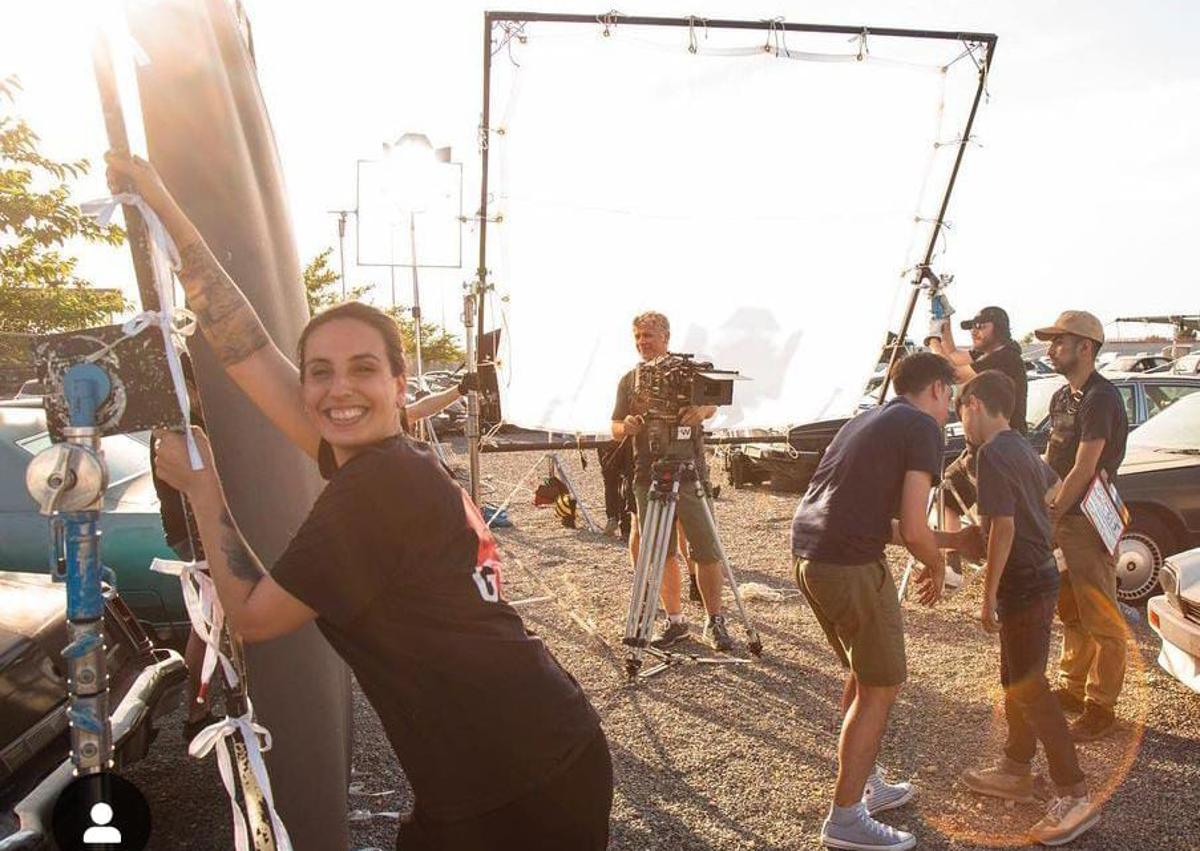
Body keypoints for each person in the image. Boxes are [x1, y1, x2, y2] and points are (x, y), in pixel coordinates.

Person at [108, 152, 612, 851]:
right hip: (522, 755)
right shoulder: (381, 457)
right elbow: (245, 343)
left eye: (363, 368)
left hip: (516, 780)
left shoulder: (376, 488)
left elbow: (253, 616)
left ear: (402, 384)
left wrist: (203, 487)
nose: (337, 388)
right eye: (320, 372)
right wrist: (165, 205)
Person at [792, 352, 973, 851]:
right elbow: (913, 529)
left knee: (862, 670)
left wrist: (950, 544)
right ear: (937, 388)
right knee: (881, 686)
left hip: (811, 555)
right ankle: (845, 818)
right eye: (951, 395)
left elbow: (876, 521)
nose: (952, 407)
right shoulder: (922, 428)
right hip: (849, 565)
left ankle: (864, 783)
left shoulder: (867, 418)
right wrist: (937, 564)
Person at [954, 370, 1099, 846]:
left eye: (960, 414)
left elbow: (1003, 527)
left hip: (1022, 583)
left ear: (974, 404)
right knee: (1014, 681)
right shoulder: (1019, 444)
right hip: (1039, 576)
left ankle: (1074, 792)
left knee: (1030, 686)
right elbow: (1054, 488)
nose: (961, 426)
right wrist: (1043, 528)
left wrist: (985, 595)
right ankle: (1016, 767)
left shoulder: (994, 452)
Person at [611, 311, 731, 652]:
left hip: (690, 470)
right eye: (637, 336)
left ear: (666, 336)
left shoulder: (687, 371)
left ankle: (715, 620)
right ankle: (676, 621)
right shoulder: (630, 380)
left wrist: (702, 411)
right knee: (661, 552)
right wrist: (627, 427)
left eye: (648, 335)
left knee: (705, 548)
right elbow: (614, 426)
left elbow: (715, 400)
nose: (642, 342)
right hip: (648, 473)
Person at [1035, 310, 1129, 742]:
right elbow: (1053, 460)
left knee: (1101, 617)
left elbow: (1085, 466)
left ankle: (1101, 704)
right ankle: (1071, 689)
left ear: (1085, 348)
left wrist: (1050, 514)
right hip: (1062, 519)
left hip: (1087, 522)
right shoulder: (1062, 398)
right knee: (1071, 610)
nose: (1050, 349)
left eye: (1059, 342)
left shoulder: (1101, 398)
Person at [928, 305, 1029, 585]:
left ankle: (1000, 577)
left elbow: (954, 371)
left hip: (1003, 446)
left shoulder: (1007, 357)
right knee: (948, 492)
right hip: (982, 446)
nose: (974, 331)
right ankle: (954, 565)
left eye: (981, 326)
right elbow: (953, 352)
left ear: (999, 327)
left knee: (997, 516)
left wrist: (932, 341)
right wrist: (942, 319)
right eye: (972, 326)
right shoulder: (990, 354)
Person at [148, 352, 220, 740]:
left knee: (210, 623)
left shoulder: (174, 425)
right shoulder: (179, 429)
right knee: (209, 623)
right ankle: (197, 711)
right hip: (197, 535)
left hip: (192, 534)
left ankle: (200, 708)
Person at [596, 437, 634, 538]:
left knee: (610, 481)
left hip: (606, 437)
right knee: (626, 479)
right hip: (625, 438)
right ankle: (626, 526)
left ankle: (612, 518)